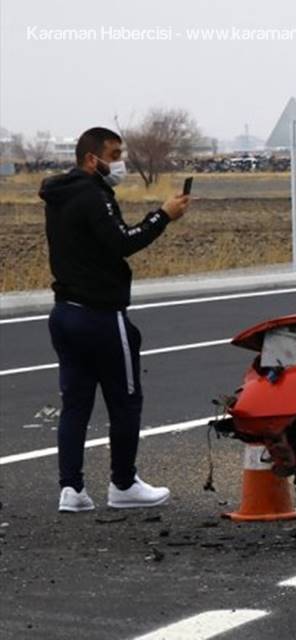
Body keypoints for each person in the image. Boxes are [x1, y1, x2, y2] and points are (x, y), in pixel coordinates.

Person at [40, 127, 190, 513]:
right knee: (125, 401)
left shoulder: (58, 195)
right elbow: (122, 241)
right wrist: (162, 216)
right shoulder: (94, 196)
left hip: (64, 314)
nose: (120, 161)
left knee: (75, 404)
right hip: (102, 316)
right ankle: (123, 483)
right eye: (115, 153)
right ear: (92, 159)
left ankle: (71, 489)